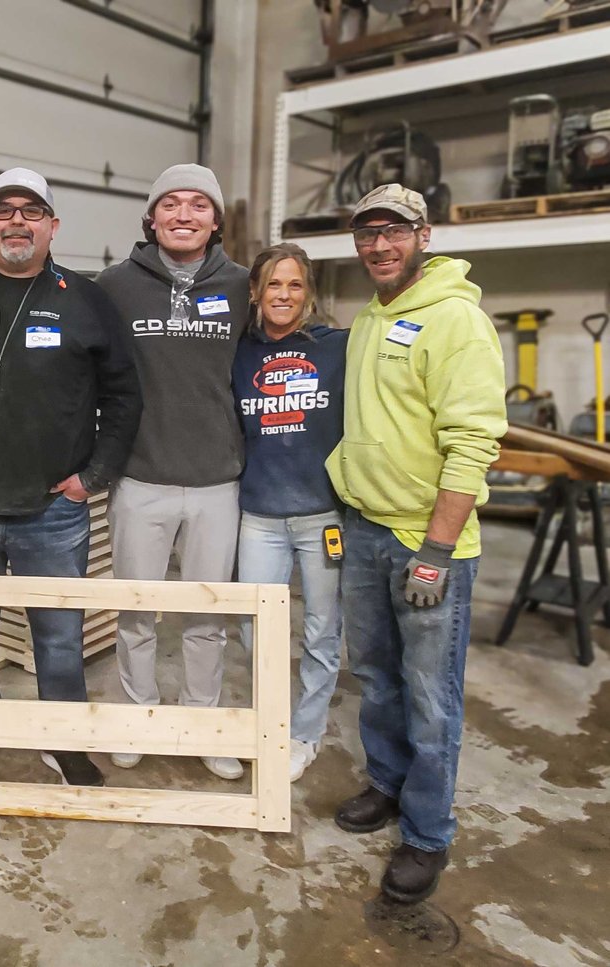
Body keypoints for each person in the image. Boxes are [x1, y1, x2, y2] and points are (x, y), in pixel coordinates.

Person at [0, 167, 142, 787]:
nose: (17, 221)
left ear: (52, 225)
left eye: (32, 211)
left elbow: (124, 395)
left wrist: (92, 476)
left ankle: (64, 742)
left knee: (60, 636)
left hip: (52, 510)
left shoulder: (86, 299)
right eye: (4, 210)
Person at [327, 184, 506, 903]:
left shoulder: (456, 321)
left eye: (393, 232)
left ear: (424, 234)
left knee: (433, 696)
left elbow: (472, 444)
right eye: (367, 234)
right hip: (367, 527)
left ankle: (427, 832)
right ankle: (388, 784)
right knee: (376, 674)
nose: (379, 245)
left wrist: (434, 549)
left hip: (427, 544)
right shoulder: (372, 316)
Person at [95, 164, 250, 779]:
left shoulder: (243, 284)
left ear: (215, 220)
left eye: (198, 205)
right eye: (171, 205)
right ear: (151, 217)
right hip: (141, 478)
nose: (184, 215)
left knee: (206, 615)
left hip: (217, 480)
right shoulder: (113, 286)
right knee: (134, 612)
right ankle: (137, 715)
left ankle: (202, 723)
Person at [232, 243, 347, 783]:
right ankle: (268, 725)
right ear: (255, 291)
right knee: (258, 629)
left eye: (295, 285)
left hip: (323, 518)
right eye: (273, 285)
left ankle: (305, 733)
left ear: (309, 293)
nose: (283, 295)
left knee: (322, 631)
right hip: (258, 516)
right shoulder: (238, 351)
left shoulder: (338, 348)